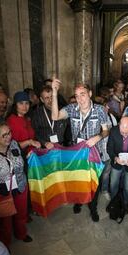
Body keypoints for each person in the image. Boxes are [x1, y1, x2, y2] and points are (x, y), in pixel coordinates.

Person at [51, 79, 110, 222]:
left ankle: (93, 207)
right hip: (77, 153)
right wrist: (54, 92)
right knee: (78, 179)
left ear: (90, 94)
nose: (80, 99)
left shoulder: (100, 110)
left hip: (94, 153)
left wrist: (98, 137)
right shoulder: (72, 108)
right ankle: (78, 201)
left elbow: (106, 131)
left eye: (82, 94)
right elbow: (55, 116)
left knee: (94, 183)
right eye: (77, 95)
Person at [0, 122, 33, 247]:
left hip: (20, 186)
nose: (8, 137)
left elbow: (22, 161)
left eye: (9, 133)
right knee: (5, 222)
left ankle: (21, 233)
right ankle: (5, 243)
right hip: (2, 192)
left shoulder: (14, 144)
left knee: (21, 213)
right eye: (4, 135)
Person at [7, 91, 41, 155]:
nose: (24, 106)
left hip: (32, 154)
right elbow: (10, 146)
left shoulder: (27, 118)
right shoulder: (11, 121)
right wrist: (29, 142)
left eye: (27, 103)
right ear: (15, 105)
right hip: (21, 157)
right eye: (21, 103)